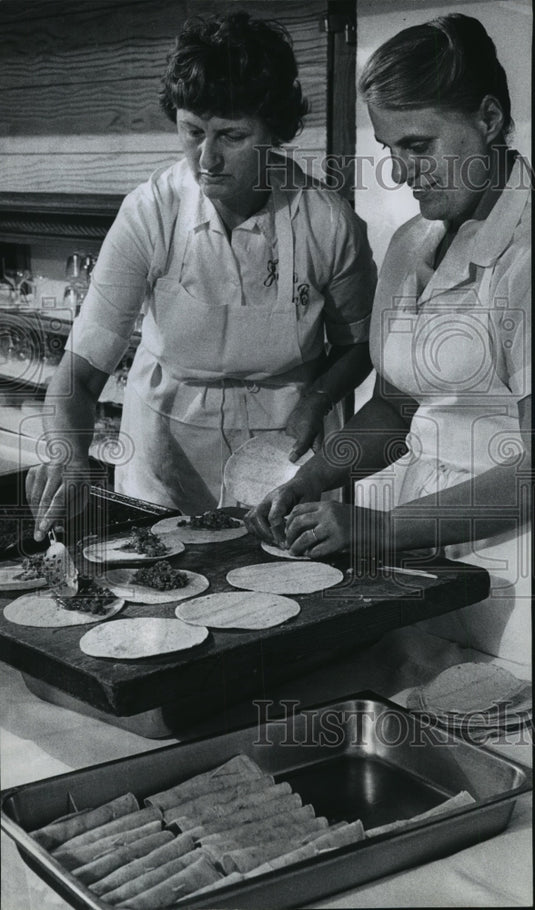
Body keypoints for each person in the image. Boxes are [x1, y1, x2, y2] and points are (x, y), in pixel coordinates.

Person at [246, 13, 531, 671]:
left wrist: (378, 529)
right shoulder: (411, 244)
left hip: (510, 565)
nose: (403, 172)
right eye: (390, 148)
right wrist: (313, 478)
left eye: (419, 145)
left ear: (487, 119)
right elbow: (395, 411)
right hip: (412, 554)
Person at [26, 11, 376, 537]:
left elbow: (358, 344)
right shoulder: (150, 213)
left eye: (230, 136)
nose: (206, 158)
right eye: (192, 132)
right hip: (161, 460)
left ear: (273, 131)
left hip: (283, 457)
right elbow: (77, 375)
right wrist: (70, 452)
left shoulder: (328, 223)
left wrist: (317, 398)